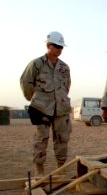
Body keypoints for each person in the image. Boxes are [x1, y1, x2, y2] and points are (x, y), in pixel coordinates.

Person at [20, 31, 72, 177]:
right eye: (56, 46)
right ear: (48, 45)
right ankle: (39, 169)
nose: (59, 49)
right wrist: (35, 99)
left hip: (61, 109)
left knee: (62, 139)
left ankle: (60, 168)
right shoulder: (37, 64)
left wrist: (60, 98)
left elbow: (67, 86)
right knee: (41, 139)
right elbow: (26, 82)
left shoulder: (65, 67)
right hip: (42, 109)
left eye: (61, 47)